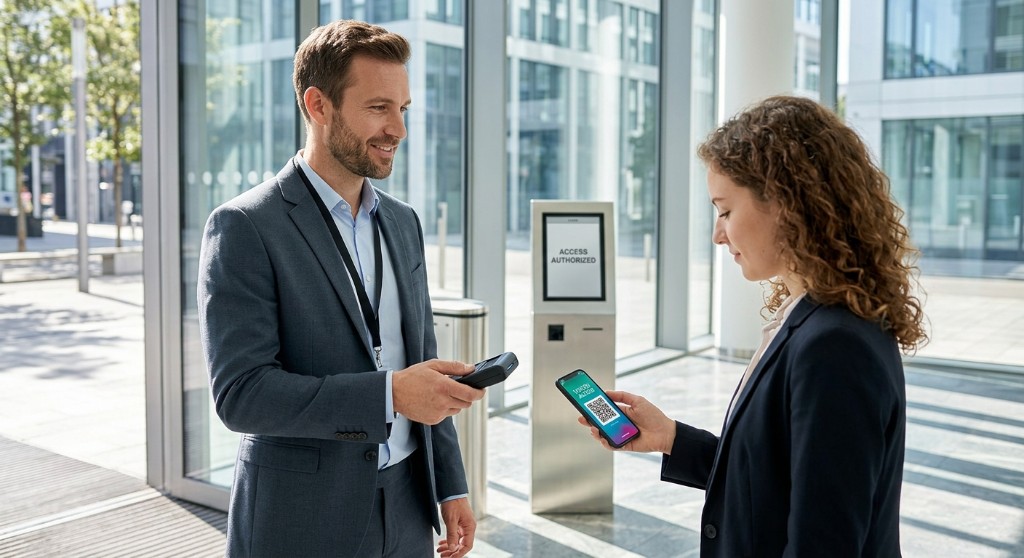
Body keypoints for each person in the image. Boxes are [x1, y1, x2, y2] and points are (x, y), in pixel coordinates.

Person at [578, 95, 927, 557]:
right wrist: (672, 439)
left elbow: (823, 542)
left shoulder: (834, 345)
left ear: (785, 203)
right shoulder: (811, 318)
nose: (717, 234)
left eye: (724, 210)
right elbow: (777, 481)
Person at [197, 19, 485, 558]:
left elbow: (422, 360)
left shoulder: (403, 223)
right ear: (318, 104)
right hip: (302, 517)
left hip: (406, 506)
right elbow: (242, 395)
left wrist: (451, 484)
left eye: (403, 110)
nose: (397, 129)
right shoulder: (245, 225)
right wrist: (389, 394)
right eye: (378, 108)